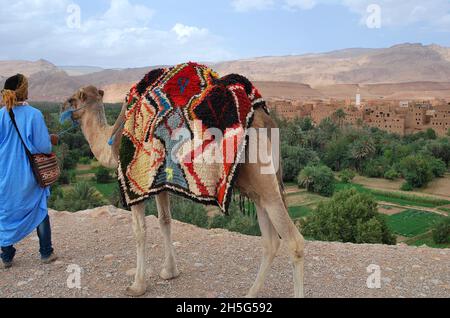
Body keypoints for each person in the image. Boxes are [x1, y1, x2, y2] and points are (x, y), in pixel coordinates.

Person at [0, 74, 59, 269]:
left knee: (5, 212)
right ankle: (46, 252)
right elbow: (44, 147)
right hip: (28, 175)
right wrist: (50, 139)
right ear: (24, 91)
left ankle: (7, 257)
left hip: (5, 175)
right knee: (39, 209)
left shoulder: (0, 115)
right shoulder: (34, 114)